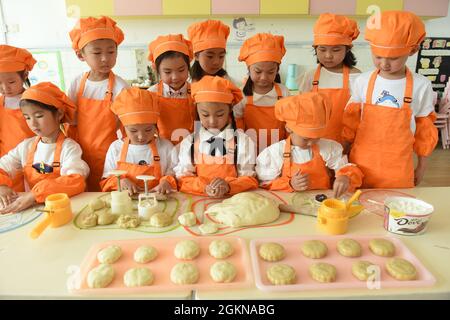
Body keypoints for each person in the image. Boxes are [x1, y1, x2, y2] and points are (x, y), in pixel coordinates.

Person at [342, 11, 438, 188]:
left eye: (393, 58)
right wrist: (342, 160)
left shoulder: (421, 85)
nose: (384, 64)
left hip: (399, 168)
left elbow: (424, 131)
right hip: (362, 163)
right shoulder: (362, 81)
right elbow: (350, 124)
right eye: (378, 56)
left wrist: (422, 167)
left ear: (412, 50)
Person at [0, 82, 89, 214]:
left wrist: (34, 195)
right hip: (35, 211)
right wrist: (2, 185)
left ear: (59, 114)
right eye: (27, 118)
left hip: (66, 210)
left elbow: (76, 180)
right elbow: (3, 166)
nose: (33, 123)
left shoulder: (69, 147)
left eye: (39, 116)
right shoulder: (26, 147)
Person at [256, 92, 363, 198]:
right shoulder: (275, 152)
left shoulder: (327, 148)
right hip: (290, 203)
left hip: (322, 202)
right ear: (288, 128)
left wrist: (345, 177)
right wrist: (289, 184)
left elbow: (345, 167)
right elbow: (265, 184)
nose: (311, 143)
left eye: (316, 138)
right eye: (306, 139)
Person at [67, 16, 129, 191]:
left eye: (111, 52)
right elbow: (70, 121)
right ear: (81, 55)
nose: (105, 58)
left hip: (110, 154)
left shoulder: (120, 86)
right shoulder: (77, 83)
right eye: (97, 53)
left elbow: (127, 126)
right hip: (79, 152)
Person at [174, 76, 258, 197]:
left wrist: (229, 186)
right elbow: (184, 179)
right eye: (205, 115)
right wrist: (204, 187)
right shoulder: (190, 142)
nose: (212, 121)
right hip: (198, 199)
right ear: (197, 111)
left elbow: (249, 179)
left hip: (232, 202)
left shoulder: (243, 141)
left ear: (230, 110)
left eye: (219, 114)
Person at [297, 13, 360, 144]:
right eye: (322, 49)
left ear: (347, 49)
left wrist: (348, 143)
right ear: (315, 49)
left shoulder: (357, 77)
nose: (328, 55)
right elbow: (303, 113)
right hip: (314, 143)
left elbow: (359, 116)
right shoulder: (310, 76)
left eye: (336, 50)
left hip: (346, 142)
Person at [100, 88, 177, 195]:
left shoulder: (166, 147)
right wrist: (119, 182)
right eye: (133, 130)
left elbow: (174, 173)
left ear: (156, 126)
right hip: (125, 204)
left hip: (159, 202)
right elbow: (106, 180)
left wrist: (167, 182)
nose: (141, 136)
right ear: (124, 127)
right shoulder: (116, 148)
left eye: (148, 130)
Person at [234, 33, 290, 153]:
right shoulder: (241, 94)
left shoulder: (283, 92)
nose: (264, 77)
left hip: (278, 152)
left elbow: (290, 124)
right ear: (248, 69)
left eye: (270, 72)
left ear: (277, 70)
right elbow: (238, 125)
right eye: (258, 71)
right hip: (250, 151)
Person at [148, 34, 195, 145]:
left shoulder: (197, 92)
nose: (175, 77)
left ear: (188, 67)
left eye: (181, 70)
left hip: (191, 150)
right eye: (168, 72)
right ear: (157, 70)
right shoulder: (150, 94)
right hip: (163, 151)